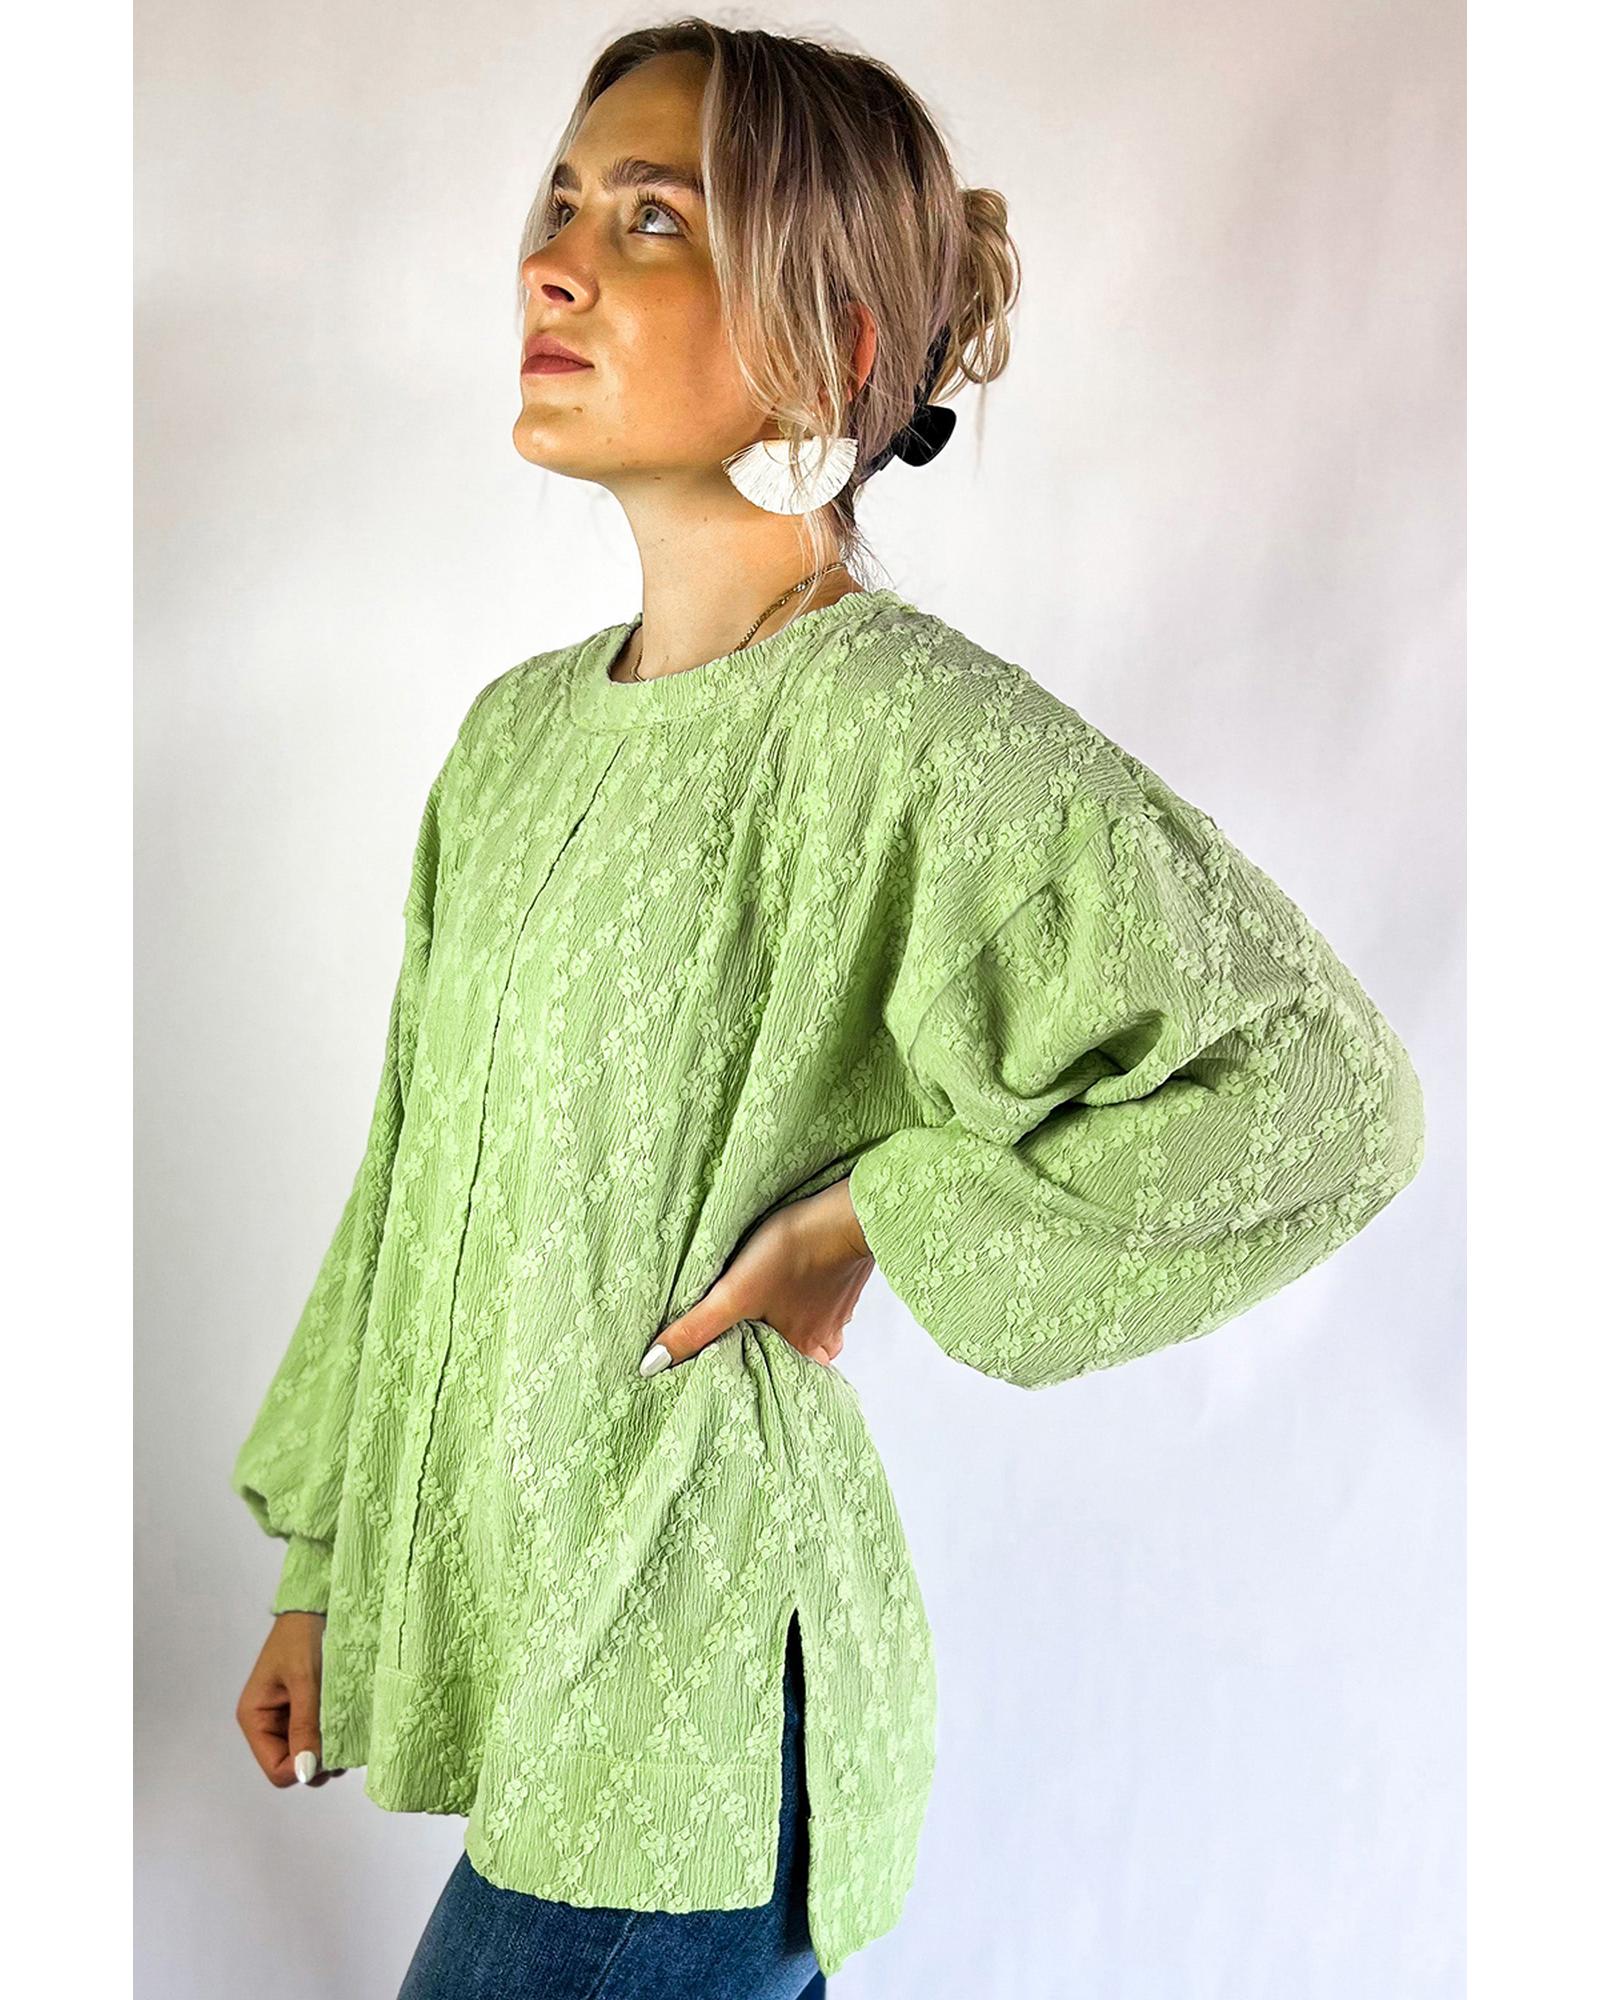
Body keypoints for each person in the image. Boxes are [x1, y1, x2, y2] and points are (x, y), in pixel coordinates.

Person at [230, 19, 1427, 1999]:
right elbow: (409, 1177)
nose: (552, 265)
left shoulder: (899, 732)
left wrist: (873, 1213)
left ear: (827, 350)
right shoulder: (513, 739)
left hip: (705, 1693)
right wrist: (325, 1573)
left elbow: (1322, 1096)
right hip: (564, 1663)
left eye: (651, 222)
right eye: (560, 203)